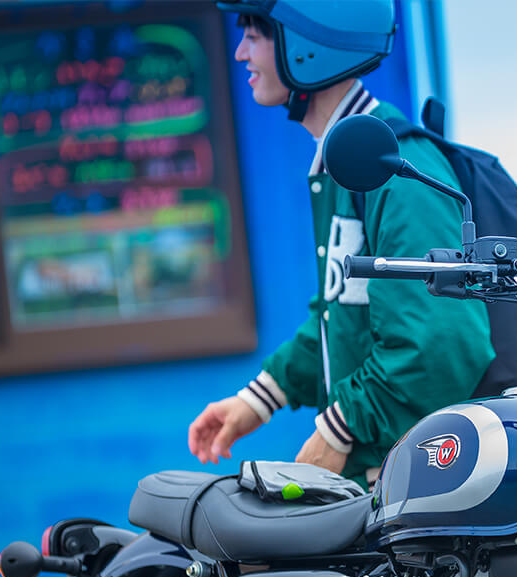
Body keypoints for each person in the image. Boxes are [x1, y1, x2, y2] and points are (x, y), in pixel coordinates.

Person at [190, 0, 495, 485]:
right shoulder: (350, 162)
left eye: (256, 33)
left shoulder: (395, 168)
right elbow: (342, 317)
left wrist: (338, 431)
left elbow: (439, 342)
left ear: (311, 38)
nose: (240, 52)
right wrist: (258, 399)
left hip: (412, 494)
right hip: (384, 484)